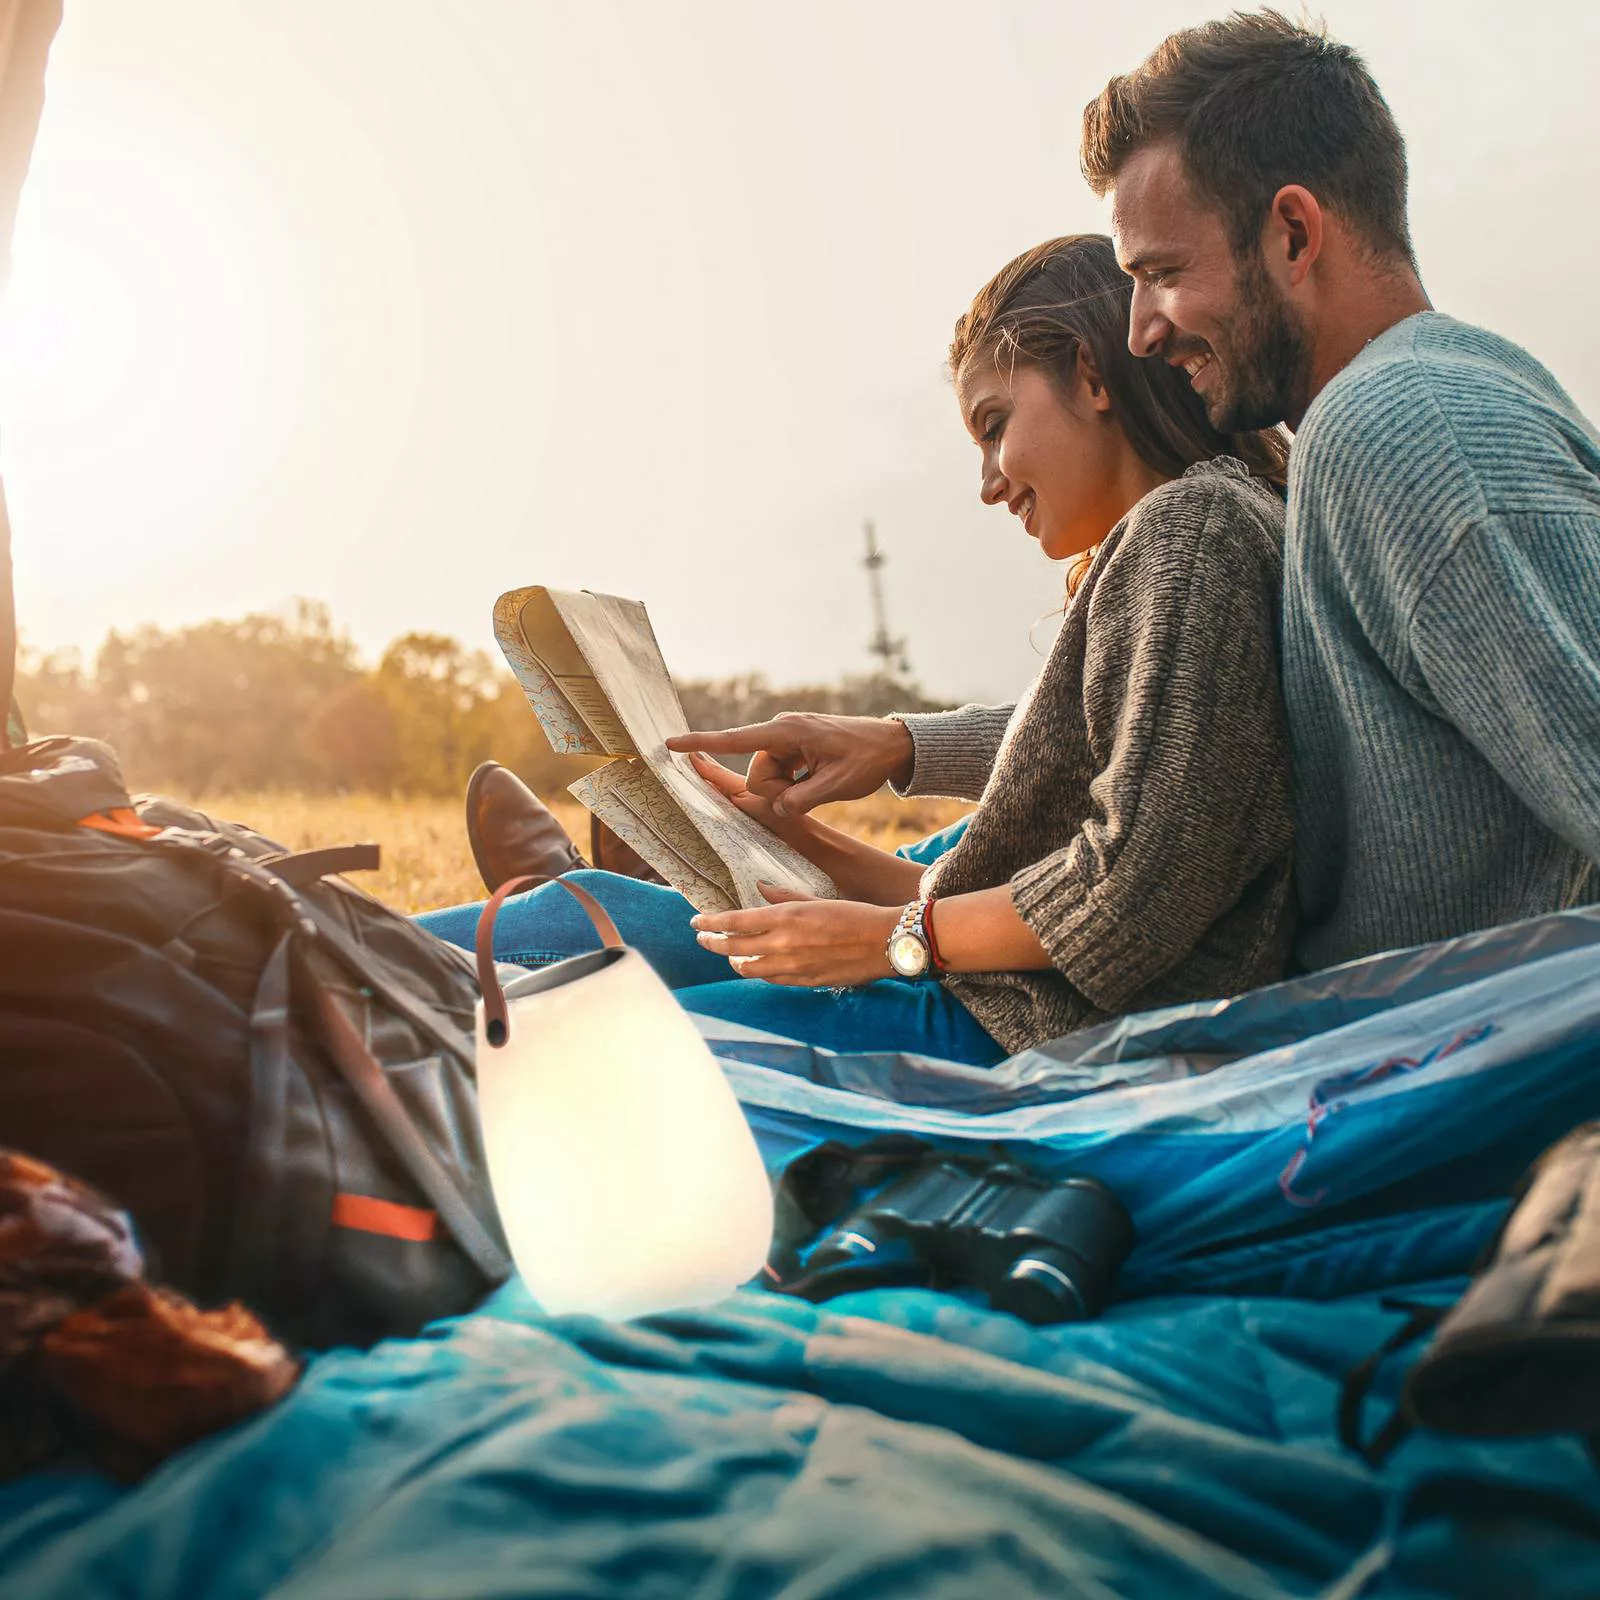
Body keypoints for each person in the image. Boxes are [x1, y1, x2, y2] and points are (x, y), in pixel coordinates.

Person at [422, 233, 1295, 1064]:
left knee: (562, 1040)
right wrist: (784, 834)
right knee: (598, 937)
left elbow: (1133, 899)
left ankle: (305, 946)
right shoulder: (1175, 542)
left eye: (996, 423)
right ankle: (304, 937)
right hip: (996, 1005)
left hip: (1014, 1033)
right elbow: (1054, 858)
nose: (990, 483)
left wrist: (891, 940)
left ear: (1089, 372)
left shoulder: (1196, 535)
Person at [1071, 9, 1600, 973]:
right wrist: (905, 749)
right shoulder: (1382, 427)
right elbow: (1207, 719)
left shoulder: (1405, 433)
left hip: (1425, 1083)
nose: (1142, 331)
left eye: (1163, 274)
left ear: (1293, 234)